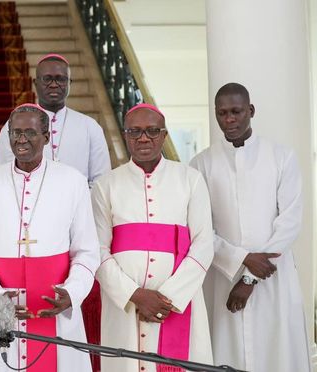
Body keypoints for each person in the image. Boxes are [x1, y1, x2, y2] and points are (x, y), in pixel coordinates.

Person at [0, 103, 100, 372]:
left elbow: (87, 250)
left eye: (30, 132)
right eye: (15, 132)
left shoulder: (73, 181)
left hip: (56, 310)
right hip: (5, 309)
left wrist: (72, 293)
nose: (21, 139)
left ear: (46, 137)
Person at [189, 83, 311, 372]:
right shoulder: (200, 164)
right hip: (222, 276)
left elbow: (290, 221)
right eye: (222, 113)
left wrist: (248, 279)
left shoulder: (282, 157)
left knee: (277, 352)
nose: (229, 119)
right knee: (227, 353)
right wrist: (241, 260)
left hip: (273, 276)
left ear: (251, 111)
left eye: (236, 111)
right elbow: (200, 227)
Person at [92, 104, 214, 372]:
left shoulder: (190, 179)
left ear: (164, 135)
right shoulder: (106, 185)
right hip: (125, 305)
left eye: (151, 131)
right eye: (134, 131)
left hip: (178, 302)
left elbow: (204, 244)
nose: (143, 138)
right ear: (125, 135)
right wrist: (134, 294)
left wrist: (167, 298)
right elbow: (97, 250)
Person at [0, 53, 110, 186]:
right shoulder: (13, 126)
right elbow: (4, 175)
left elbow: (101, 181)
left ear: (69, 83)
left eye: (60, 79)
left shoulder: (90, 126)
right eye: (47, 79)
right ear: (36, 83)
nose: (54, 84)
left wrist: (80, 203)